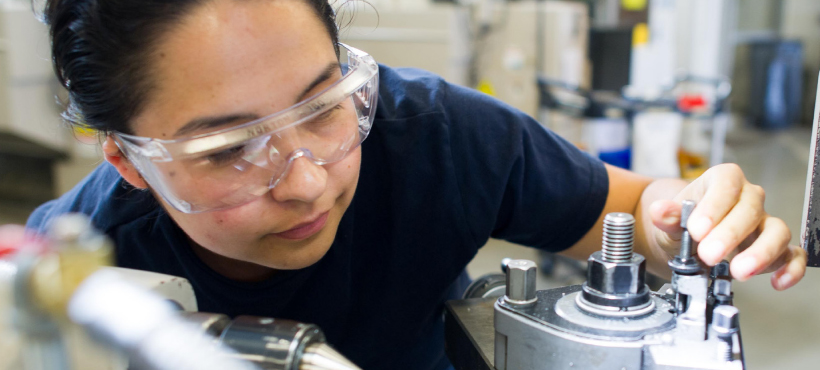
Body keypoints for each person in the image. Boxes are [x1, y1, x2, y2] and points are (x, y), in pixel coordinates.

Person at [24, 0, 806, 369]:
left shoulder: (437, 135)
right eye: (228, 150)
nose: (304, 183)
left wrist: (689, 223)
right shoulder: (83, 272)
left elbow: (631, 212)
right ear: (127, 160)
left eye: (323, 105)